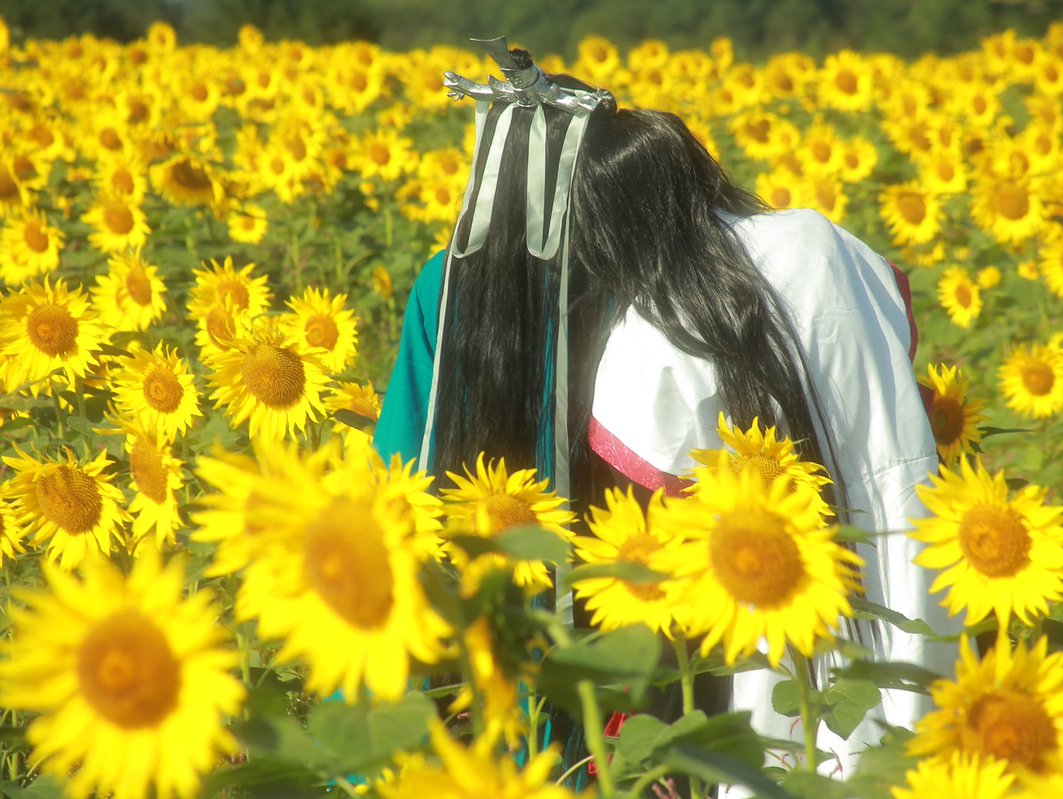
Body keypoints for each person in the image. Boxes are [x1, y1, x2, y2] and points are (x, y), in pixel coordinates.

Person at [373, 39, 957, 781]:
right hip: (667, 622)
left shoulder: (449, 282)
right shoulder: (676, 278)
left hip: (502, 621)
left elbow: (403, 465)